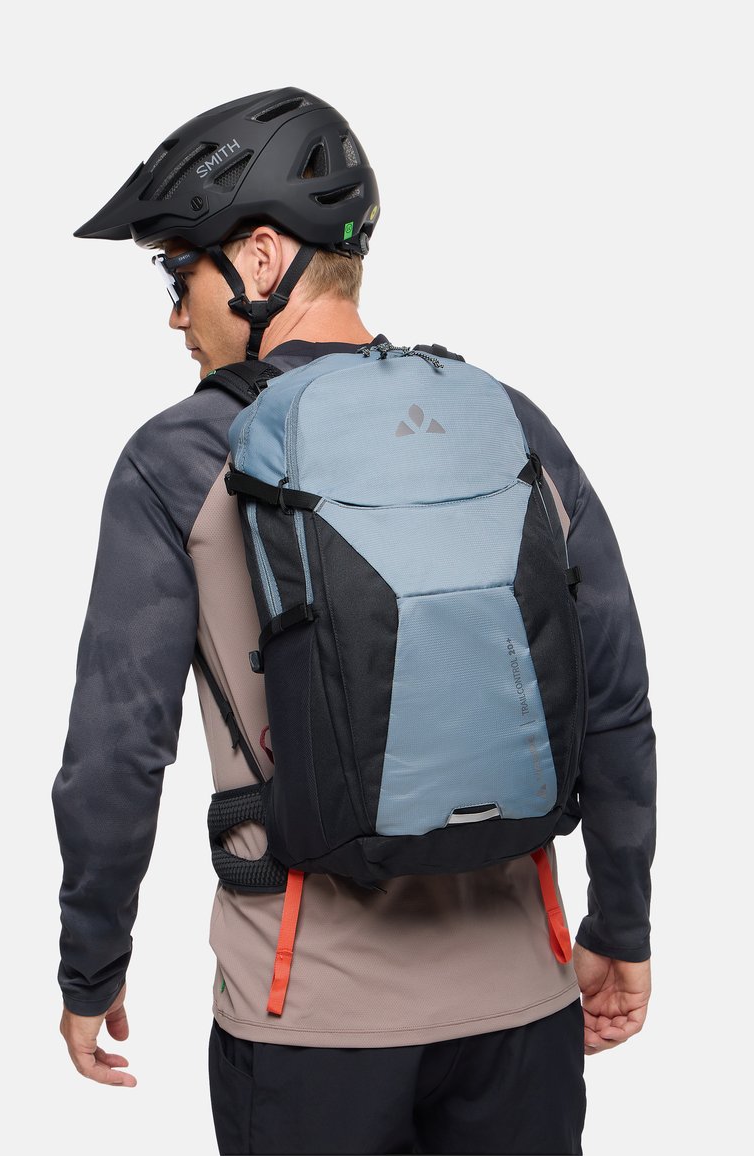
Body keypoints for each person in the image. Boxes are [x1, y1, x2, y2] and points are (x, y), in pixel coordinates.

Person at [53, 87, 656, 1156]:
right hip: (522, 1004)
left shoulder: (179, 456)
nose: (174, 313)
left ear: (260, 257)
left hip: (307, 1019)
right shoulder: (508, 422)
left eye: (177, 271)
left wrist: (91, 965)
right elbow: (614, 700)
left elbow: (116, 751)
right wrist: (622, 924)